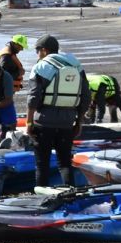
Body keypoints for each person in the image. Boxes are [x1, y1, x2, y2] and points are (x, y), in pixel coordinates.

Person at [25, 35, 91, 188]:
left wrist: (29, 122)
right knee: (65, 163)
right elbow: (86, 96)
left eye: (37, 51)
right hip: (67, 122)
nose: (37, 55)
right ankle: (71, 195)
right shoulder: (76, 66)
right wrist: (78, 122)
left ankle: (41, 199)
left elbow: (33, 97)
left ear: (44, 50)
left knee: (42, 164)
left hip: (43, 122)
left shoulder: (41, 66)